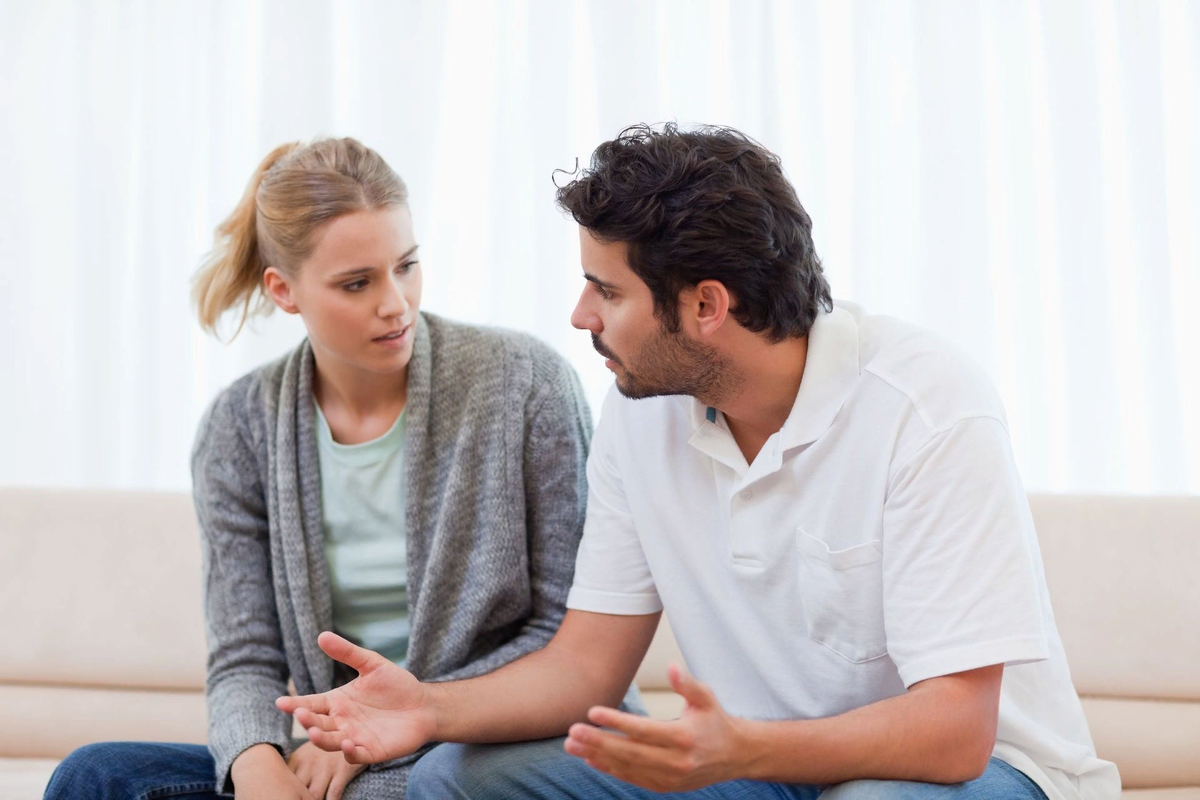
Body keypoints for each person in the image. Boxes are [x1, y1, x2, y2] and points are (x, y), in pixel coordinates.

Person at [277, 124, 1121, 800]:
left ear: (707, 305)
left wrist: (743, 750)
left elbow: (955, 731)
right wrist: (429, 709)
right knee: (457, 779)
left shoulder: (925, 405)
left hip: (978, 773)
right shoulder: (640, 410)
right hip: (753, 764)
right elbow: (584, 668)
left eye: (608, 291)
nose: (580, 315)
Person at [43, 137, 609, 799]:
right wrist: (259, 770)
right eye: (357, 283)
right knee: (96, 775)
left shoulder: (527, 384)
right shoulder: (239, 428)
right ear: (284, 291)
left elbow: (567, 635)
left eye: (407, 265)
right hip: (341, 745)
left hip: (497, 739)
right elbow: (244, 656)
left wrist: (385, 723)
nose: (395, 302)